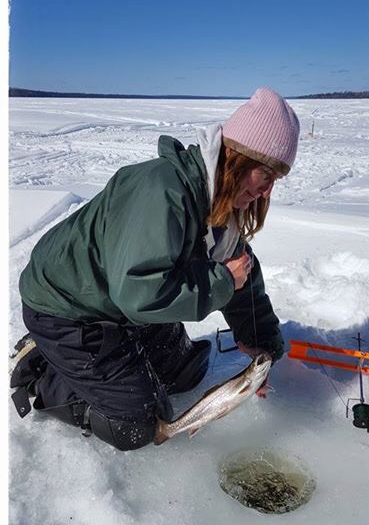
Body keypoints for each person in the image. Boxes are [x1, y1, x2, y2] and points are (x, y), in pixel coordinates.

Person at [10, 86, 300, 450]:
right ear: (238, 159)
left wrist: (264, 343)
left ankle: (114, 354)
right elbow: (141, 293)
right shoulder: (163, 191)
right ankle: (42, 370)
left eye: (277, 179)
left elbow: (243, 274)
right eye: (266, 174)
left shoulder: (220, 203)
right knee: (141, 424)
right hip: (67, 311)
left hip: (118, 305)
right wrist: (221, 282)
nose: (268, 191)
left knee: (185, 372)